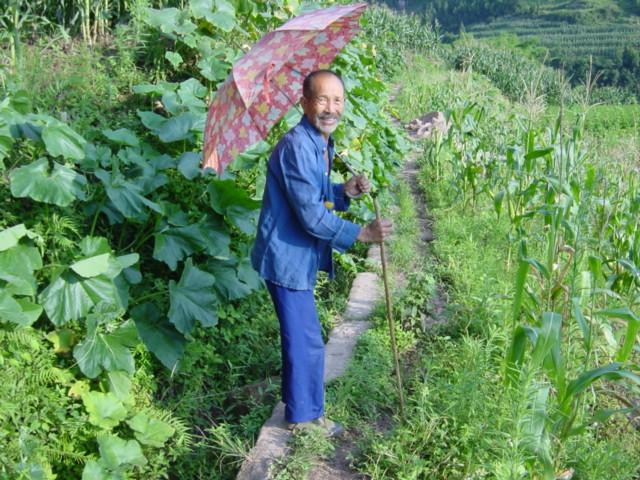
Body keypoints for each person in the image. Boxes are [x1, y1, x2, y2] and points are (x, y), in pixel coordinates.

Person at [250, 69, 393, 436]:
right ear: (304, 103)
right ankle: (303, 418)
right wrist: (360, 233)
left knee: (304, 337)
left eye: (337, 100)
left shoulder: (318, 142)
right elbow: (312, 215)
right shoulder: (298, 145)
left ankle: (303, 410)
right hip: (286, 256)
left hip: (297, 255)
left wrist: (344, 191)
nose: (330, 108)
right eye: (322, 99)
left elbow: (315, 192)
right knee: (306, 340)